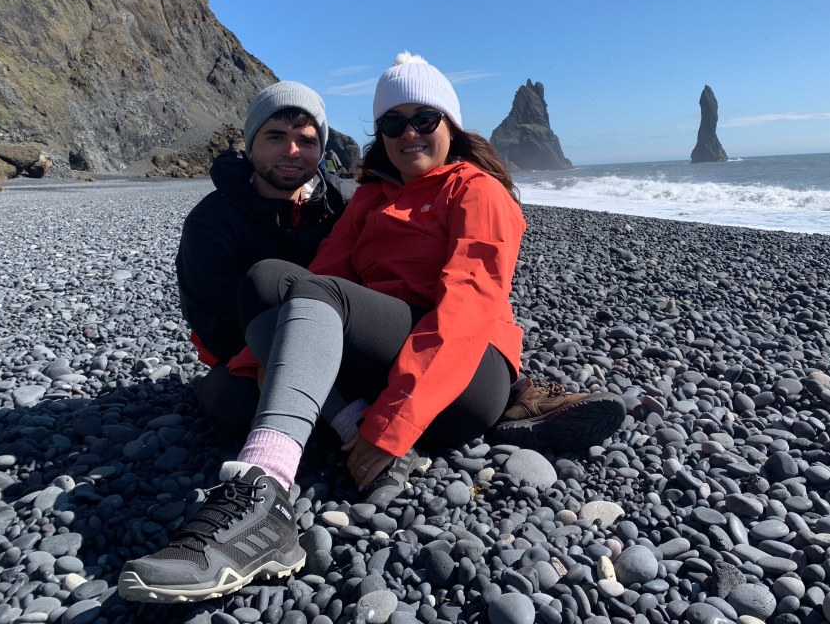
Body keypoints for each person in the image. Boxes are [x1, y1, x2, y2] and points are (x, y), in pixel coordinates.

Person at [119, 53, 625, 603]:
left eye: (423, 119)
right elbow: (314, 283)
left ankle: (264, 494)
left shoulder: (476, 190)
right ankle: (346, 423)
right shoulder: (370, 199)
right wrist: (259, 366)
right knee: (268, 286)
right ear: (379, 134)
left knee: (303, 300)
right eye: (392, 123)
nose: (408, 133)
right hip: (389, 361)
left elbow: (467, 309)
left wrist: (392, 424)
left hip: (468, 377)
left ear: (449, 125)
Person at [175, 80, 356, 435]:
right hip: (253, 352)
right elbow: (212, 317)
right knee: (234, 404)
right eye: (275, 137)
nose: (292, 151)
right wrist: (270, 360)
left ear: (321, 150)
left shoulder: (347, 205)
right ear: (250, 142)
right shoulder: (212, 220)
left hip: (340, 343)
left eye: (306, 140)